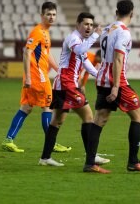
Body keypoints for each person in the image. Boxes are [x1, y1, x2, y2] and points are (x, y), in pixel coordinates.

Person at [38, 12, 110, 172]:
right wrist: (96, 36)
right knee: (88, 116)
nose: (89, 27)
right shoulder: (74, 38)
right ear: (78, 25)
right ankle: (91, 156)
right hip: (66, 83)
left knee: (57, 121)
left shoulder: (82, 41)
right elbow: (80, 52)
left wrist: (100, 75)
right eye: (86, 24)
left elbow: (85, 62)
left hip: (64, 84)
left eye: (91, 25)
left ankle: (45, 158)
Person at [91, 0, 140, 172]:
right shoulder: (124, 32)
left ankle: (90, 163)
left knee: (100, 118)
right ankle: (133, 162)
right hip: (115, 80)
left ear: (116, 12)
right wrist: (116, 86)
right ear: (132, 14)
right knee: (138, 117)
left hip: (102, 77)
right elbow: (118, 58)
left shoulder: (106, 29)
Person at [1, 2, 71, 153]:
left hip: (36, 75)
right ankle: (51, 143)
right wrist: (27, 77)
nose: (51, 17)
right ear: (42, 16)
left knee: (26, 108)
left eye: (53, 14)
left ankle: (8, 140)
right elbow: (26, 52)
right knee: (47, 107)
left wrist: (58, 69)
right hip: (37, 76)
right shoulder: (38, 32)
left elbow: (46, 54)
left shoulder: (45, 32)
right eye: (48, 14)